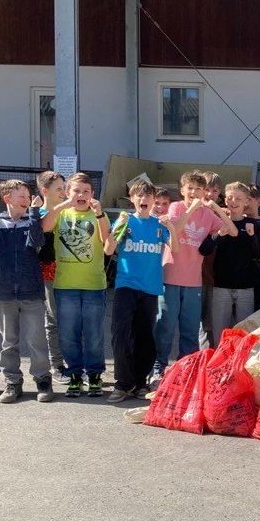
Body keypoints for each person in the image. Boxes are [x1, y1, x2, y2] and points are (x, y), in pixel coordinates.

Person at [0, 180, 52, 404]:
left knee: (36, 340)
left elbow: (37, 240)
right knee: (8, 341)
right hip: (3, 292)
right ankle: (12, 381)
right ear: (7, 199)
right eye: (22, 196)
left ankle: (43, 380)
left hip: (30, 291)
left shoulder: (31, 220)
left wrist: (35, 213)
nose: (27, 200)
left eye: (28, 196)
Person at [151, 170, 234, 386]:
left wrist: (215, 208)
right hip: (170, 276)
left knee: (189, 330)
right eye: (190, 188)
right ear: (182, 190)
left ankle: (186, 368)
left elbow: (232, 231)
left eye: (198, 189)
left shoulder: (207, 215)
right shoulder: (176, 207)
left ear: (204, 192)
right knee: (166, 326)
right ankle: (159, 366)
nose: (193, 192)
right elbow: (175, 231)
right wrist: (190, 210)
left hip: (193, 280)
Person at [104, 180, 178, 404]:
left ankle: (139, 382)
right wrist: (118, 228)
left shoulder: (159, 225)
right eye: (139, 196)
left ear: (154, 200)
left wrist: (172, 226)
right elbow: (108, 250)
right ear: (132, 199)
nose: (144, 200)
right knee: (120, 333)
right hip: (126, 286)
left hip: (150, 289)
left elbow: (175, 249)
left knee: (144, 336)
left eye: (148, 196)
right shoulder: (126, 221)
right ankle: (122, 383)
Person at [41, 172, 110, 398]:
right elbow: (45, 226)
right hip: (65, 285)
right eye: (76, 191)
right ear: (68, 193)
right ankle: (74, 375)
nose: (81, 195)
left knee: (93, 334)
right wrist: (62, 206)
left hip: (94, 285)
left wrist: (99, 214)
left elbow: (106, 241)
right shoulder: (62, 214)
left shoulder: (99, 215)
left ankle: (95, 375)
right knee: (68, 334)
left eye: (86, 192)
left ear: (92, 195)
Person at [199, 181, 260, 340]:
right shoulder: (217, 222)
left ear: (247, 201)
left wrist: (252, 236)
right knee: (220, 335)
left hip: (245, 287)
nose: (234, 202)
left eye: (239, 198)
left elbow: (257, 254)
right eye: (230, 198)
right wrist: (218, 234)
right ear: (225, 200)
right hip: (221, 286)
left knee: (243, 335)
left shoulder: (253, 224)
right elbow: (204, 249)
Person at [36, 170, 68, 384]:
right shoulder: (37, 213)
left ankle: (72, 362)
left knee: (69, 319)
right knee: (53, 319)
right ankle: (56, 364)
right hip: (49, 272)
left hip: (70, 270)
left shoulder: (67, 211)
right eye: (59, 189)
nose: (64, 193)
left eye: (64, 189)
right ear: (44, 190)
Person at [199, 171, 223, 348]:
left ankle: (208, 358)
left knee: (210, 323)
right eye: (206, 189)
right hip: (192, 276)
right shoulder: (191, 211)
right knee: (195, 322)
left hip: (214, 277)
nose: (210, 194)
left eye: (214, 190)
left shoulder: (223, 214)